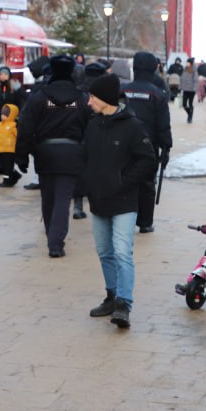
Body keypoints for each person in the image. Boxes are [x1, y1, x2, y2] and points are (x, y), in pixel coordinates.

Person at [81, 72, 156, 330]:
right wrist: (87, 184)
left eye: (92, 97)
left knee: (123, 252)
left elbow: (148, 160)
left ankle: (124, 304)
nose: (88, 101)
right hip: (99, 202)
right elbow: (84, 157)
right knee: (105, 252)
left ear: (104, 99)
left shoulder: (132, 126)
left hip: (124, 201)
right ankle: (111, 297)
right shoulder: (92, 124)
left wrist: (122, 182)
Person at [16, 54, 88, 257]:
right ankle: (56, 243)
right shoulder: (81, 98)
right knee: (63, 198)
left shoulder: (39, 97)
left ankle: (52, 235)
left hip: (45, 153)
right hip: (72, 154)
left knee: (47, 197)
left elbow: (25, 127)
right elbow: (89, 127)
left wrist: (21, 156)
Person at [122, 51, 172, 234]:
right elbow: (163, 125)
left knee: (124, 181)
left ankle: (124, 218)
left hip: (121, 144)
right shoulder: (157, 94)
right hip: (148, 145)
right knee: (147, 184)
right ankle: (145, 221)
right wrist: (166, 147)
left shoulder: (123, 90)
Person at [0, 104, 23, 187]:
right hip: (1, 149)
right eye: (2, 114)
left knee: (7, 168)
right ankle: (15, 176)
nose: (3, 116)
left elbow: (18, 135)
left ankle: (6, 181)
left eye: (6, 114)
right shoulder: (0, 124)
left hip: (10, 150)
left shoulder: (13, 125)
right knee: (4, 166)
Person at [179, 59, 197, 123]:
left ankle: (190, 118)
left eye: (188, 63)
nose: (187, 63)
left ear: (191, 63)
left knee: (190, 104)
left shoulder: (194, 70)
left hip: (191, 90)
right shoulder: (185, 69)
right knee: (184, 104)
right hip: (185, 89)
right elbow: (181, 79)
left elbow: (195, 80)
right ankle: (190, 114)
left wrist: (194, 89)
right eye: (187, 62)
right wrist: (180, 87)